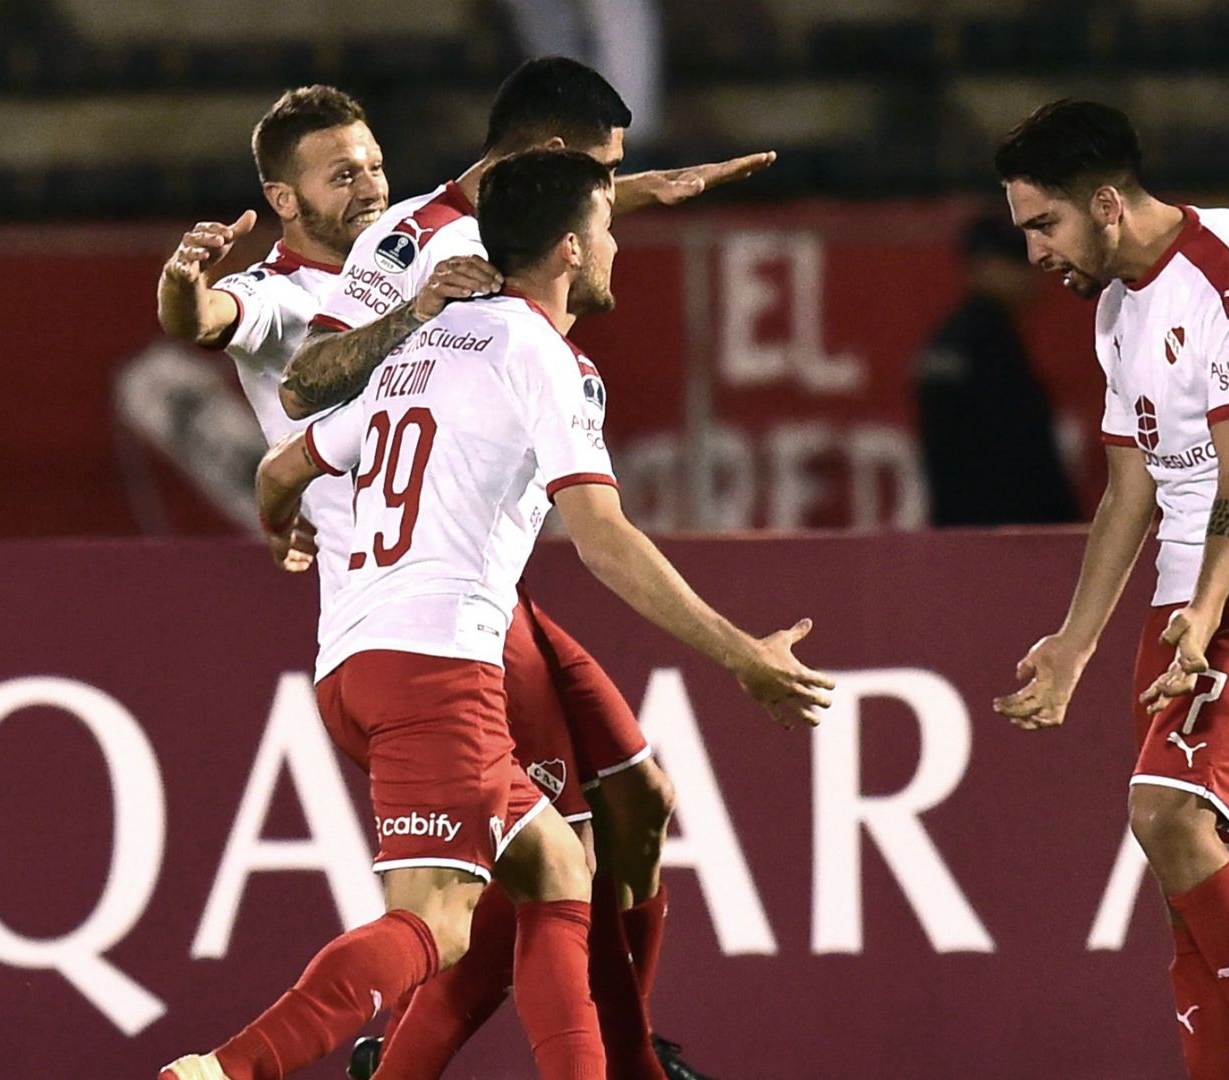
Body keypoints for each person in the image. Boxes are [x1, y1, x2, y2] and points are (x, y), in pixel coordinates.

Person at [161, 149, 832, 1080]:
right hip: (439, 670)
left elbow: (279, 471)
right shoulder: (537, 354)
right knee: (435, 924)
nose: (613, 245)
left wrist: (290, 532)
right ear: (568, 249)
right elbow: (602, 537)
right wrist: (741, 655)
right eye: (605, 227)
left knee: (559, 873)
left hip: (352, 664)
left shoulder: (424, 344)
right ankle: (228, 1072)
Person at [281, 56, 764, 1080]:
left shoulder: (517, 233)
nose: (613, 198)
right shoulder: (413, 242)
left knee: (631, 808)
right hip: (441, 601)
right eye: (606, 174)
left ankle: (597, 1052)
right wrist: (405, 321)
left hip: (486, 578)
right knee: (542, 868)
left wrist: (633, 197)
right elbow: (304, 386)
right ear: (554, 166)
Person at [991, 100, 1229, 1080]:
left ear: (1106, 205)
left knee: (1169, 816)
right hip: (1183, 603)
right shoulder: (1118, 307)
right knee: (1176, 865)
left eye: (1042, 224)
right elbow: (1128, 492)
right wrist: (1074, 642)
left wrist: (1207, 606)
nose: (1032, 255)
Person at [912, 213, 1079, 526]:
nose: (1031, 274)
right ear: (983, 264)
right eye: (1016, 262)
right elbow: (1023, 452)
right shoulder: (987, 342)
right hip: (1005, 533)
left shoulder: (950, 338)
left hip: (959, 529)